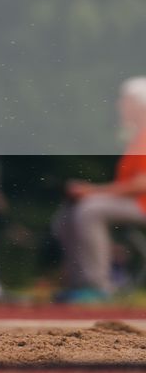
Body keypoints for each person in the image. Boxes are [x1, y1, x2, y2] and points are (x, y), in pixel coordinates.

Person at [51, 76, 146, 303]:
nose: (119, 106)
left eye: (125, 101)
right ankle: (79, 286)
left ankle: (99, 287)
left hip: (142, 204)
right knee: (69, 212)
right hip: (134, 204)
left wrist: (93, 191)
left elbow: (142, 185)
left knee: (90, 209)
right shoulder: (136, 137)